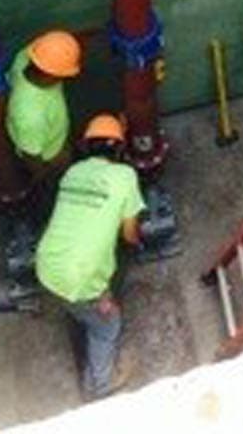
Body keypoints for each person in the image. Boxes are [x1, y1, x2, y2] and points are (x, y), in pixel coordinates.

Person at [35, 113, 145, 399]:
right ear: (119, 150)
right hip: (80, 278)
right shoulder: (125, 176)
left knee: (77, 302)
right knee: (108, 327)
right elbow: (130, 235)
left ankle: (79, 311)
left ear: (87, 146)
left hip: (46, 263)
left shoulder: (73, 172)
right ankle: (99, 388)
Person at [5, 30, 82, 194]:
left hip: (53, 137)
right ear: (51, 75)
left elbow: (56, 48)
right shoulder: (29, 115)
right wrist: (42, 178)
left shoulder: (25, 58)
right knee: (59, 183)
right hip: (50, 156)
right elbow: (31, 156)